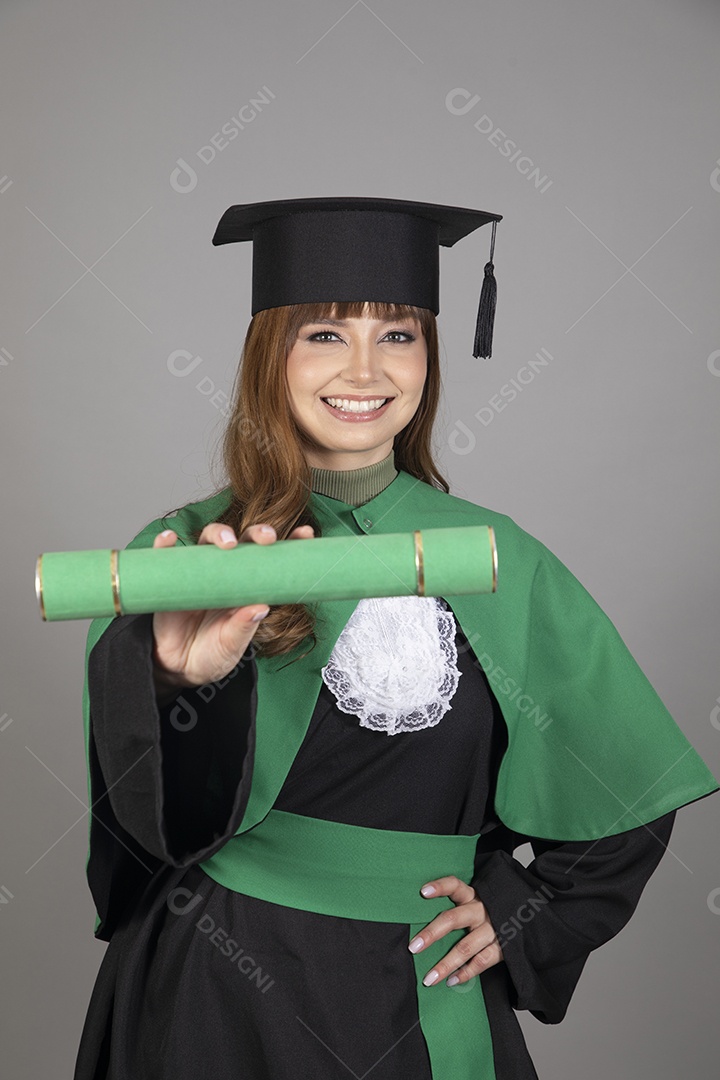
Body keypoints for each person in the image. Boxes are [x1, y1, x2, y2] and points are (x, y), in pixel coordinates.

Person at [73, 198, 719, 1080]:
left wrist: (528, 910)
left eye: (401, 335)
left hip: (420, 987)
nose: (367, 368)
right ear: (273, 355)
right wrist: (178, 685)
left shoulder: (494, 558)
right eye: (326, 336)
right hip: (214, 990)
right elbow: (143, 826)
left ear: (431, 357)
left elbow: (625, 776)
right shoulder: (192, 551)